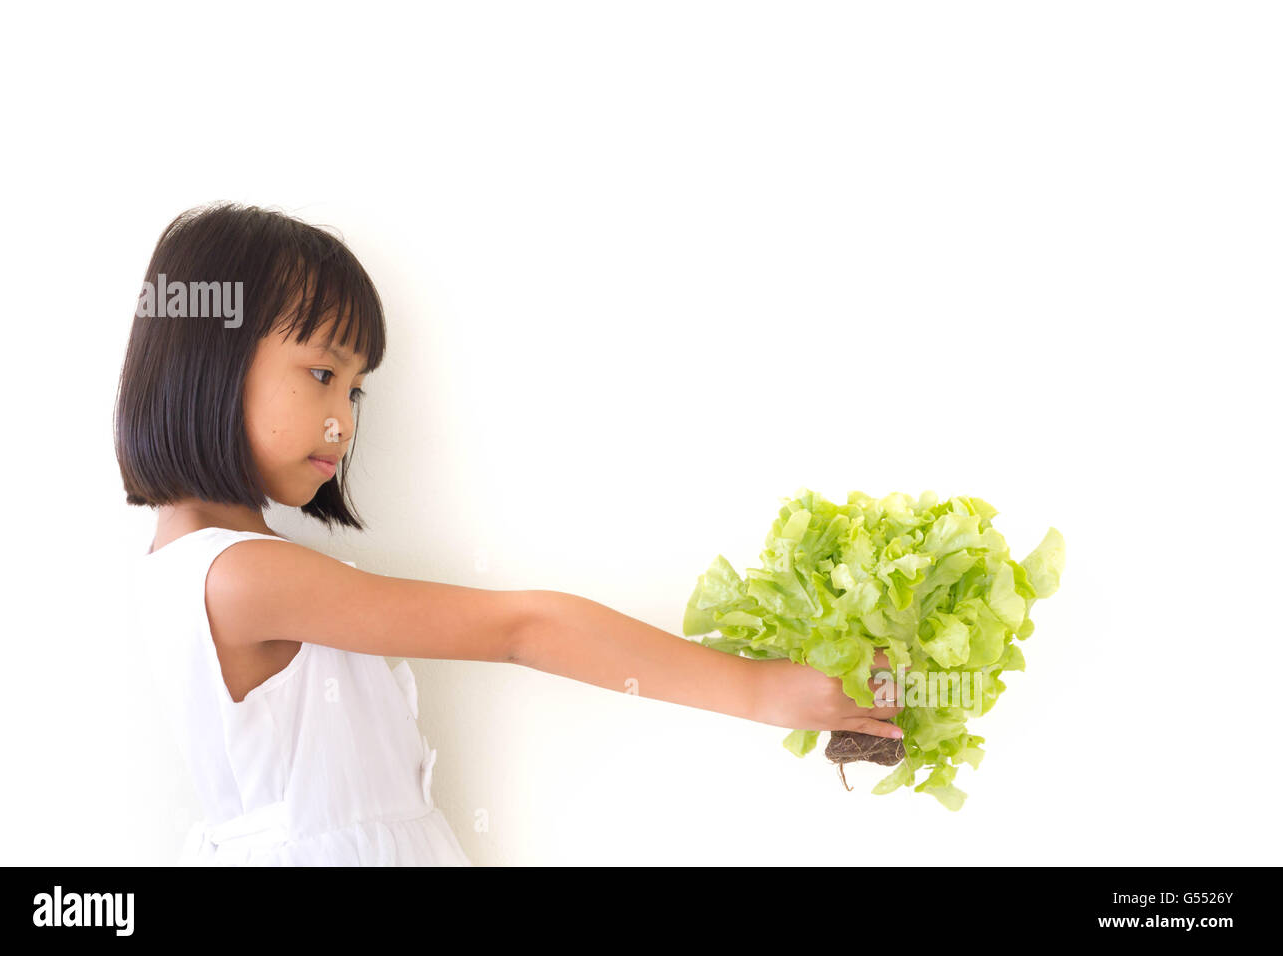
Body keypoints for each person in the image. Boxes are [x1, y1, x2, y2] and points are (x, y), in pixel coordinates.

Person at [115, 201, 903, 866]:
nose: (344, 421)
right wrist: (760, 689)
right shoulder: (243, 578)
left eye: (358, 391)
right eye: (323, 374)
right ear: (208, 361)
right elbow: (523, 630)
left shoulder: (193, 568)